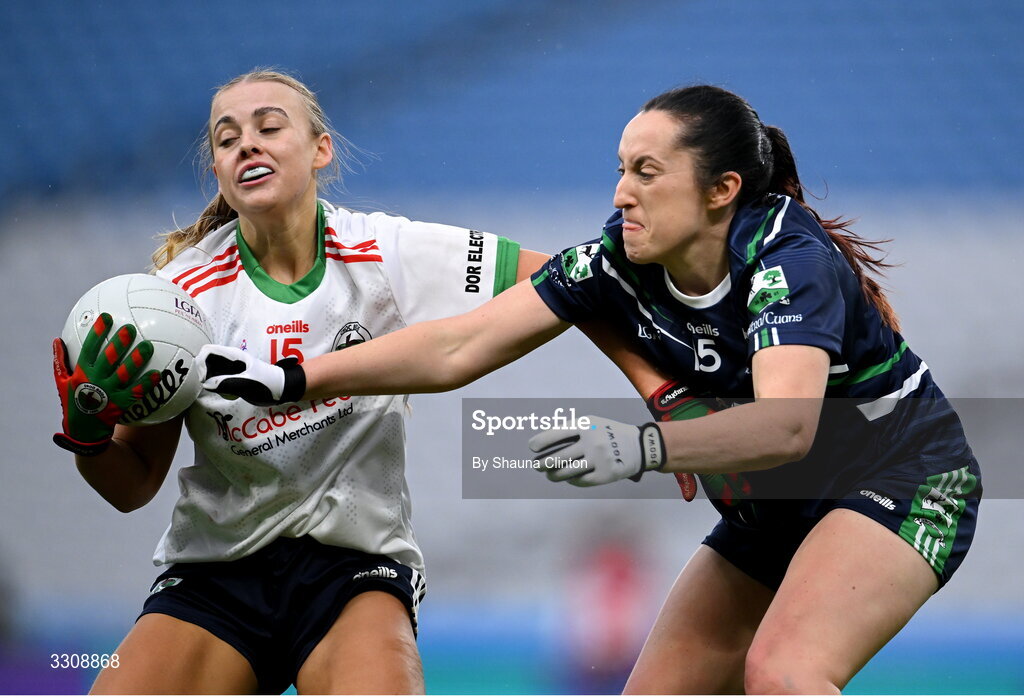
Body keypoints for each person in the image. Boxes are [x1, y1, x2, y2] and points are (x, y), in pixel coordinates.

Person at [200, 84, 982, 694]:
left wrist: (642, 444)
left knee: (783, 674)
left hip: (898, 480)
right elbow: (458, 344)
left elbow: (785, 429)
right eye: (619, 169)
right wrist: (293, 378)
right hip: (776, 508)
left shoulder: (788, 260)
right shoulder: (618, 260)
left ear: (721, 189)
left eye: (646, 172)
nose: (620, 194)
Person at [50, 68, 593, 694]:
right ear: (221, 173)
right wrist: (89, 437)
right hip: (216, 574)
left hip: (353, 571)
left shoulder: (382, 251)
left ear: (320, 149)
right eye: (227, 140)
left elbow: (567, 280)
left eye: (269, 127)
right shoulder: (180, 300)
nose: (247, 145)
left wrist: (655, 389)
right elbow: (132, 485)